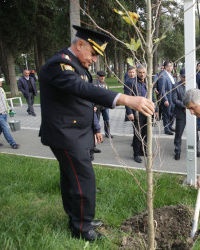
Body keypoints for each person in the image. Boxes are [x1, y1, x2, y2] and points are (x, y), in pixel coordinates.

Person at [39, 25, 154, 241]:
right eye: (93, 54)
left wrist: (94, 129)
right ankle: (82, 228)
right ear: (79, 44)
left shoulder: (74, 64)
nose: (94, 60)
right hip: (67, 134)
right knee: (83, 180)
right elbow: (82, 90)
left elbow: (82, 101)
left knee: (72, 180)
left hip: (75, 132)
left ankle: (78, 218)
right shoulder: (60, 64)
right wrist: (124, 98)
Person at [125, 65, 158, 163]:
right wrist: (129, 112)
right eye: (140, 72)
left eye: (143, 72)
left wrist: (155, 110)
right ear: (137, 72)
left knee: (146, 133)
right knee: (137, 134)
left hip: (147, 112)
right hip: (136, 112)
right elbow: (127, 99)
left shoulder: (148, 83)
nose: (142, 74)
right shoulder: (130, 82)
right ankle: (136, 154)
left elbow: (151, 97)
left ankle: (143, 151)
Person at [172, 68, 200, 160]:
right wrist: (185, 106)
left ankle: (196, 149)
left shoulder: (194, 85)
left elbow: (196, 97)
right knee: (178, 133)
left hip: (192, 112)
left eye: (187, 77)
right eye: (183, 77)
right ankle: (177, 150)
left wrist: (189, 107)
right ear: (180, 76)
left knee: (194, 132)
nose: (185, 78)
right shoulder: (176, 86)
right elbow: (175, 100)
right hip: (181, 113)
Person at [0, 76, 19, 149]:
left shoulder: (1, 89)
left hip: (5, 113)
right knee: (5, 129)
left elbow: (5, 101)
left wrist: (10, 109)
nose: (1, 82)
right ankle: (13, 143)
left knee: (1, 128)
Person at [157, 61, 175, 135]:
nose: (171, 67)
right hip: (167, 98)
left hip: (173, 97)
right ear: (165, 67)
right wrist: (165, 99)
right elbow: (162, 89)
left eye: (172, 66)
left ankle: (170, 125)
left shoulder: (170, 75)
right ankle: (166, 128)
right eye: (170, 66)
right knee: (166, 114)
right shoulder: (162, 76)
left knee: (172, 113)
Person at [93, 71, 113, 138]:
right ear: (97, 77)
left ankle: (107, 133)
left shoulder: (106, 85)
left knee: (106, 120)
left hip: (105, 106)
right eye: (101, 76)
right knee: (97, 120)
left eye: (103, 76)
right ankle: (97, 134)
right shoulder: (93, 84)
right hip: (97, 106)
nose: (102, 78)